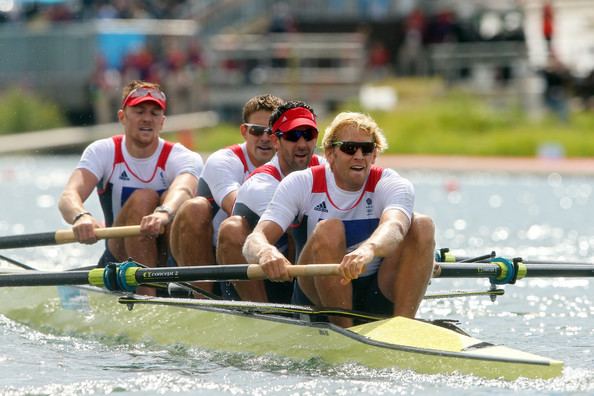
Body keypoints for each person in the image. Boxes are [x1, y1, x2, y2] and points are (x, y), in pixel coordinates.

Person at [243, 112, 435, 327]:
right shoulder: (301, 183)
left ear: (374, 156)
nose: (359, 156)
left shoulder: (391, 183)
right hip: (316, 295)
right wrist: (266, 252)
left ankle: (404, 326)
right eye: (349, 148)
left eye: (367, 149)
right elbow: (254, 239)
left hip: (376, 288)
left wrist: (368, 249)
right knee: (330, 229)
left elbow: (395, 226)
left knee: (422, 225)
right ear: (330, 153)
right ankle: (345, 330)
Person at [58, 80, 203, 295]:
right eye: (139, 111)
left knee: (195, 208)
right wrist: (81, 216)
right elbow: (69, 195)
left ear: (162, 122)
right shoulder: (103, 151)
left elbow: (184, 189)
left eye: (155, 113)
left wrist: (163, 213)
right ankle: (147, 296)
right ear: (122, 117)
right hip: (119, 256)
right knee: (143, 197)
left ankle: (198, 294)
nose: (147, 118)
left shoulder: (183, 157)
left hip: (168, 252)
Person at [169, 94, 285, 295]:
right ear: (244, 131)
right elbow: (237, 207)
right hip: (216, 257)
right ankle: (202, 298)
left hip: (269, 254)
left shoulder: (294, 161)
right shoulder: (223, 161)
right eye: (257, 131)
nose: (265, 138)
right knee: (199, 209)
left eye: (272, 131)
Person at [217, 101, 324, 303]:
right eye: (293, 136)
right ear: (276, 141)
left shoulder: (327, 168)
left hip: (299, 272)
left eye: (308, 135)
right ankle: (261, 311)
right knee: (231, 227)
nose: (302, 144)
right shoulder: (262, 184)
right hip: (263, 278)